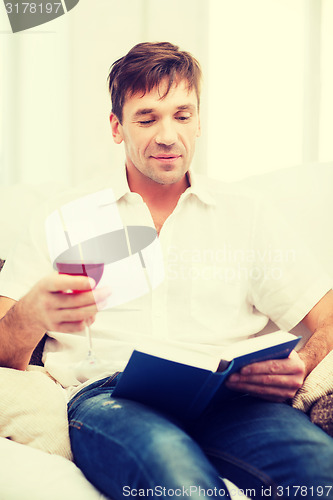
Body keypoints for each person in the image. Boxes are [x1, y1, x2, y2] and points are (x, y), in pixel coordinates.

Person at [0, 42, 333, 499]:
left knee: (321, 474)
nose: (167, 135)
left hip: (232, 398)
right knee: (185, 486)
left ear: (199, 121)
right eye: (146, 117)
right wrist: (33, 314)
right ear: (116, 127)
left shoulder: (248, 214)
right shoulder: (61, 216)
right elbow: (2, 348)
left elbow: (328, 313)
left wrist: (302, 362)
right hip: (112, 398)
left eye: (182, 115)